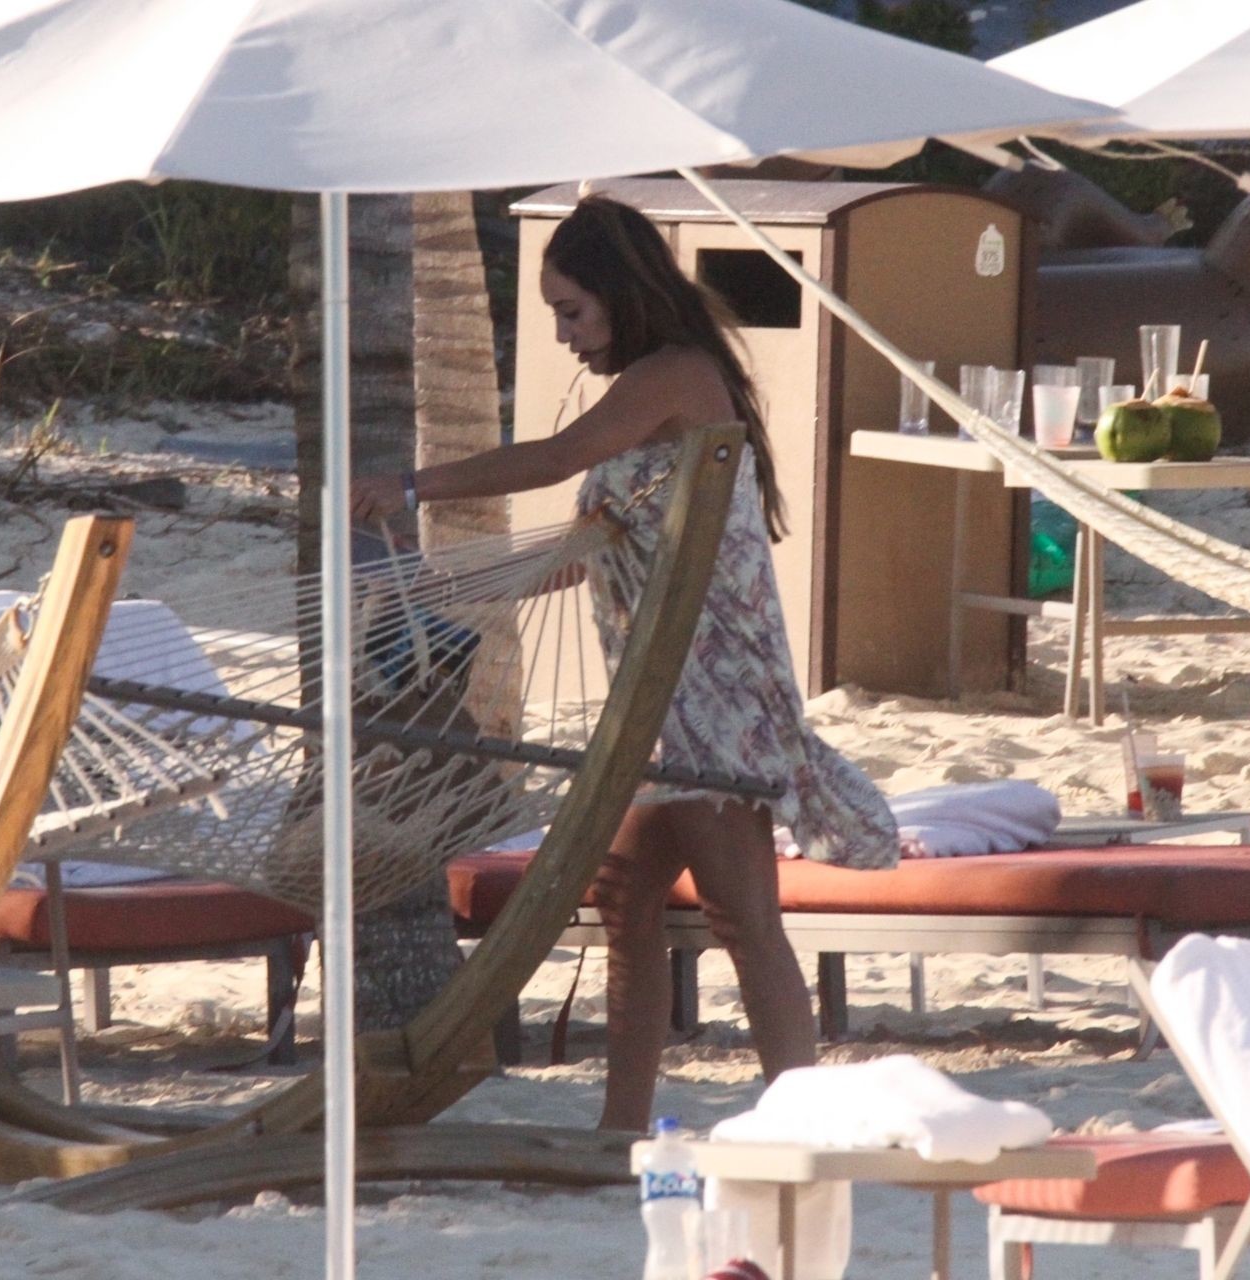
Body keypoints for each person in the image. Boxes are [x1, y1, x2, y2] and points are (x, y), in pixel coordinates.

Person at [351, 195, 897, 1131]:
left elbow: (559, 457)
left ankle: (801, 1126)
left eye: (571, 310)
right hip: (654, 703)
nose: (563, 334)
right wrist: (454, 586)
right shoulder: (657, 388)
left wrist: (410, 485)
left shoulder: (675, 373)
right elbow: (587, 550)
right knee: (624, 911)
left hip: (711, 695)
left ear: (622, 292)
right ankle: (620, 1133)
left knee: (743, 921)